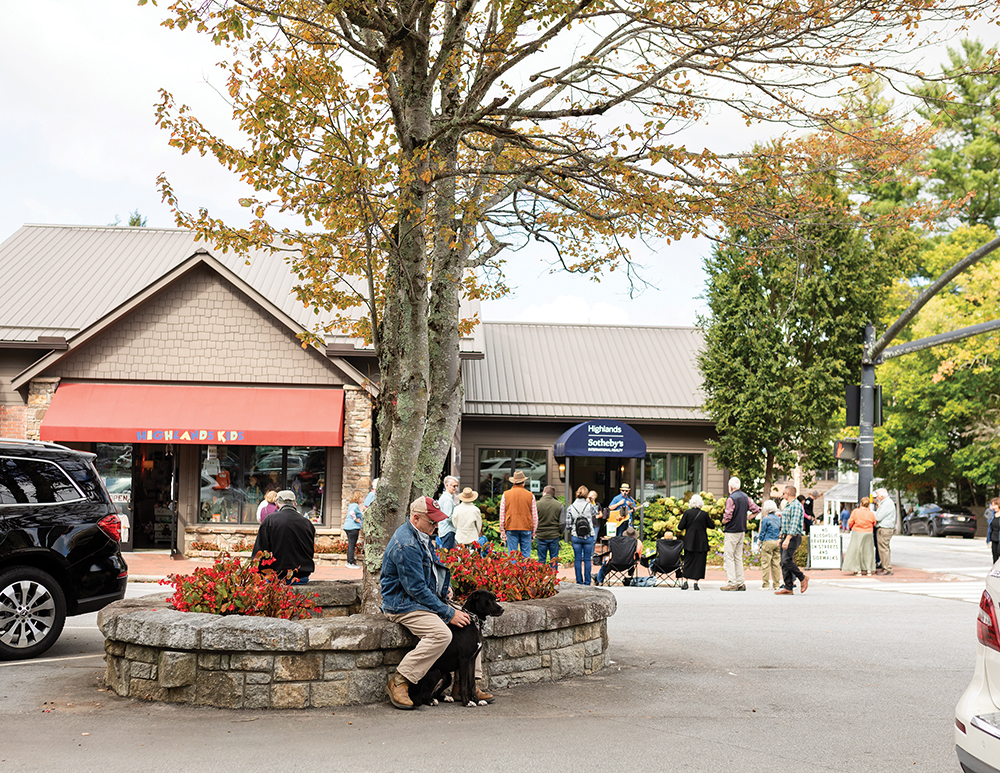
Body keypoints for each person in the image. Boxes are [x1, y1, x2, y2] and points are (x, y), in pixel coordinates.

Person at [381, 496, 493, 710]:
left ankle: (465, 685)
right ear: (415, 518)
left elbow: (430, 574)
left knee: (472, 621)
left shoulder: (422, 535)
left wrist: (444, 589)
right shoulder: (406, 544)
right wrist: (448, 613)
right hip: (403, 604)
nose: (437, 526)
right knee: (441, 634)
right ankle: (400, 681)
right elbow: (416, 590)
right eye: (432, 522)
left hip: (419, 600)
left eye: (438, 521)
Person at [251, 490, 315, 583]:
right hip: (301, 577)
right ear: (295, 503)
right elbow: (310, 551)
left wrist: (259, 574)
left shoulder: (270, 521)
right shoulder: (307, 523)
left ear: (276, 504)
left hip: (276, 577)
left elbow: (260, 551)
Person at [721, 476, 760, 591]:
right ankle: (740, 582)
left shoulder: (731, 498)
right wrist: (746, 518)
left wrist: (723, 521)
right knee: (738, 557)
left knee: (729, 557)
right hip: (741, 530)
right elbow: (756, 510)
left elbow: (728, 517)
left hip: (732, 530)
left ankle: (732, 582)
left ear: (730, 486)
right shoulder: (745, 497)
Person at [775, 484, 808, 595]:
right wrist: (781, 537)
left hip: (793, 537)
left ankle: (802, 578)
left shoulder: (796, 506)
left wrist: (788, 538)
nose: (783, 495)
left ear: (788, 494)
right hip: (785, 536)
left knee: (787, 560)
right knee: (783, 562)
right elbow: (784, 523)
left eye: (783, 493)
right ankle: (788, 587)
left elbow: (794, 524)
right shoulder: (788, 505)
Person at [677, 494, 712, 590]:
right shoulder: (704, 514)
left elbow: (680, 527)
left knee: (688, 561)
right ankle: (696, 583)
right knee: (699, 562)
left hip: (689, 541)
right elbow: (712, 525)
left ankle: (685, 581)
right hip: (701, 542)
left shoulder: (687, 513)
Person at [499, 470, 537, 556]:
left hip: (511, 526)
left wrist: (502, 531)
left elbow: (502, 514)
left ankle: (514, 565)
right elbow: (534, 516)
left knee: (512, 556)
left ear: (513, 482)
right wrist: (533, 532)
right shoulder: (530, 495)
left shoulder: (506, 495)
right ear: (524, 482)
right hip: (526, 527)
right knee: (526, 556)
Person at [567, 485, 598, 585]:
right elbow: (596, 512)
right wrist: (591, 501)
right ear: (586, 495)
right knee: (588, 560)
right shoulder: (589, 506)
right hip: (588, 535)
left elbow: (568, 524)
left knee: (577, 560)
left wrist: (571, 531)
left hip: (576, 535)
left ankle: (579, 581)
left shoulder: (571, 507)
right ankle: (587, 581)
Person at [842, 497, 877, 575]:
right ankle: (868, 569)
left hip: (857, 532)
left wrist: (852, 527)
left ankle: (857, 569)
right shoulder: (871, 513)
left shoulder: (856, 511)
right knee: (868, 551)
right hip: (868, 533)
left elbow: (850, 522)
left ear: (861, 503)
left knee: (856, 551)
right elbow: (874, 522)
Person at [535, 485, 564, 565]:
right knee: (554, 558)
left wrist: (535, 531)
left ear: (545, 492)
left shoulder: (537, 504)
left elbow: (533, 520)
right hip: (554, 535)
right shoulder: (559, 505)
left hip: (541, 535)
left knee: (541, 559)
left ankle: (541, 572)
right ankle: (553, 573)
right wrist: (560, 532)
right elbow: (562, 522)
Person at [757, 500, 782, 591]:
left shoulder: (765, 519)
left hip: (767, 541)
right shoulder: (778, 518)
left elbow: (762, 532)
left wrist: (759, 542)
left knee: (765, 564)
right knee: (776, 564)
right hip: (777, 542)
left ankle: (766, 584)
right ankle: (776, 585)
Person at [873, 488, 896, 576]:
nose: (877, 498)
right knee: (884, 549)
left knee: (883, 549)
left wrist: (871, 512)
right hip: (886, 528)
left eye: (877, 496)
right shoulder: (887, 503)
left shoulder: (886, 504)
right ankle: (885, 567)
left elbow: (878, 517)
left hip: (884, 529)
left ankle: (887, 569)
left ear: (882, 496)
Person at [436, 475, 459, 551]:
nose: (455, 488)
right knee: (448, 555)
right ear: (446, 485)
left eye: (456, 486)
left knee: (446, 554)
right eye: (454, 486)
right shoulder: (447, 499)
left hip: (445, 530)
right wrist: (458, 522)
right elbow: (448, 516)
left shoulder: (445, 497)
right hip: (448, 530)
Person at [342, 489, 364, 569]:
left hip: (348, 527)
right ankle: (350, 563)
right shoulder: (355, 505)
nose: (362, 499)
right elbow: (352, 513)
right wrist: (356, 519)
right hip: (353, 527)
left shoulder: (351, 505)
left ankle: (349, 562)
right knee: (352, 545)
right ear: (357, 498)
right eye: (361, 497)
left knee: (350, 545)